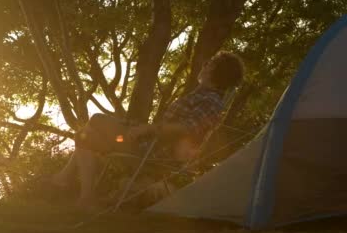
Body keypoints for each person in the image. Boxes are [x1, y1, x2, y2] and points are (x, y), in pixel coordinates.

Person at [49, 51, 245, 208]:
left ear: (215, 73)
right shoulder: (201, 95)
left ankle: (65, 182)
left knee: (97, 119)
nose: (204, 66)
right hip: (147, 145)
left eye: (209, 64)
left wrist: (148, 129)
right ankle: (84, 196)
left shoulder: (211, 102)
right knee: (85, 136)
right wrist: (141, 128)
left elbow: (189, 128)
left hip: (153, 156)